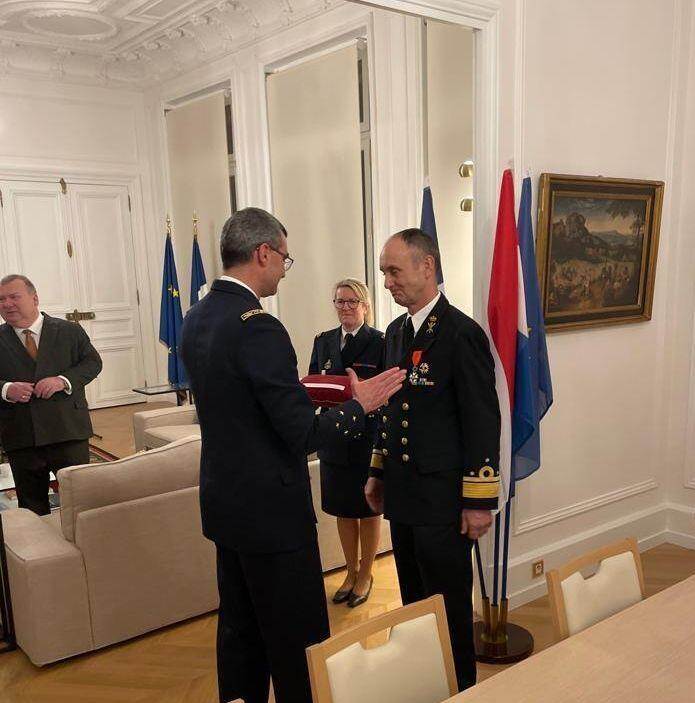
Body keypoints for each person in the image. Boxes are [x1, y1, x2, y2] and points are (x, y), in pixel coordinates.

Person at [180, 208, 405, 703]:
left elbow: (244, 407)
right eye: (284, 258)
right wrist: (359, 405)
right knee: (297, 645)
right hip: (272, 515)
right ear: (263, 253)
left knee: (240, 633)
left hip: (225, 504)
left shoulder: (196, 317)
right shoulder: (259, 327)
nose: (284, 269)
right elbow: (302, 434)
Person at [365, 229, 501, 691]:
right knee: (414, 604)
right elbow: (389, 409)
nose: (387, 282)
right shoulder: (396, 332)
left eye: (394, 271)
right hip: (403, 496)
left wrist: (479, 501)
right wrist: (377, 471)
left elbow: (482, 421)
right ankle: (424, 684)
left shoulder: (461, 333)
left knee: (449, 606)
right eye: (384, 272)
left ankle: (461, 688)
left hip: (443, 501)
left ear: (427, 266)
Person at [309, 278, 384, 607]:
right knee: (343, 508)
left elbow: (386, 391)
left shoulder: (380, 342)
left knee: (366, 510)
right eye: (340, 301)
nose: (346, 307)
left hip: (367, 437)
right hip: (333, 438)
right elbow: (313, 385)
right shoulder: (323, 341)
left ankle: (366, 574)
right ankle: (350, 572)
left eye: (353, 301)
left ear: (365, 306)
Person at [0, 274, 103, 515]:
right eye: (1, 299)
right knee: (32, 508)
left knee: (80, 502)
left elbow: (92, 363)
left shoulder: (69, 331)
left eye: (14, 297)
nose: (7, 304)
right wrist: (6, 389)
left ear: (34, 298)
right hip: (21, 435)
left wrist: (62, 380)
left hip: (67, 430)